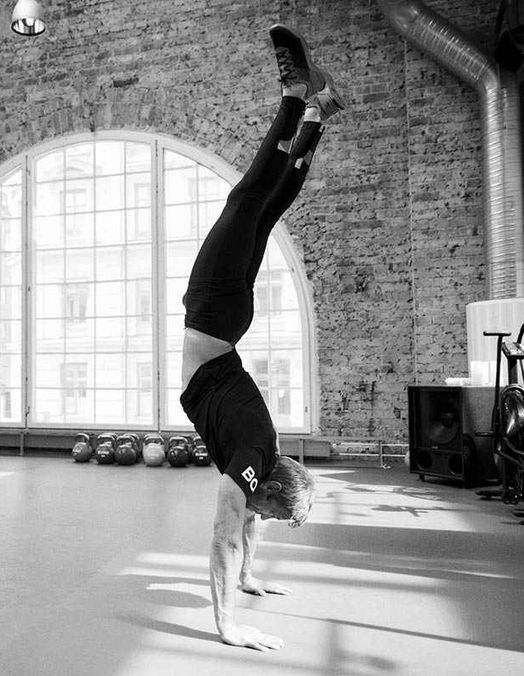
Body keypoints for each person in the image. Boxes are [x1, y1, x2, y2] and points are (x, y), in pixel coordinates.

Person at [179, 24, 345, 652]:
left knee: (265, 209)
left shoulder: (263, 461)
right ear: (265, 489)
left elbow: (250, 529)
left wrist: (251, 577)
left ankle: (319, 116)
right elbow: (226, 533)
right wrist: (229, 625)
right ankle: (295, 96)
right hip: (214, 315)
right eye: (274, 513)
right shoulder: (248, 462)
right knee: (247, 199)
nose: (266, 524)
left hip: (226, 323)